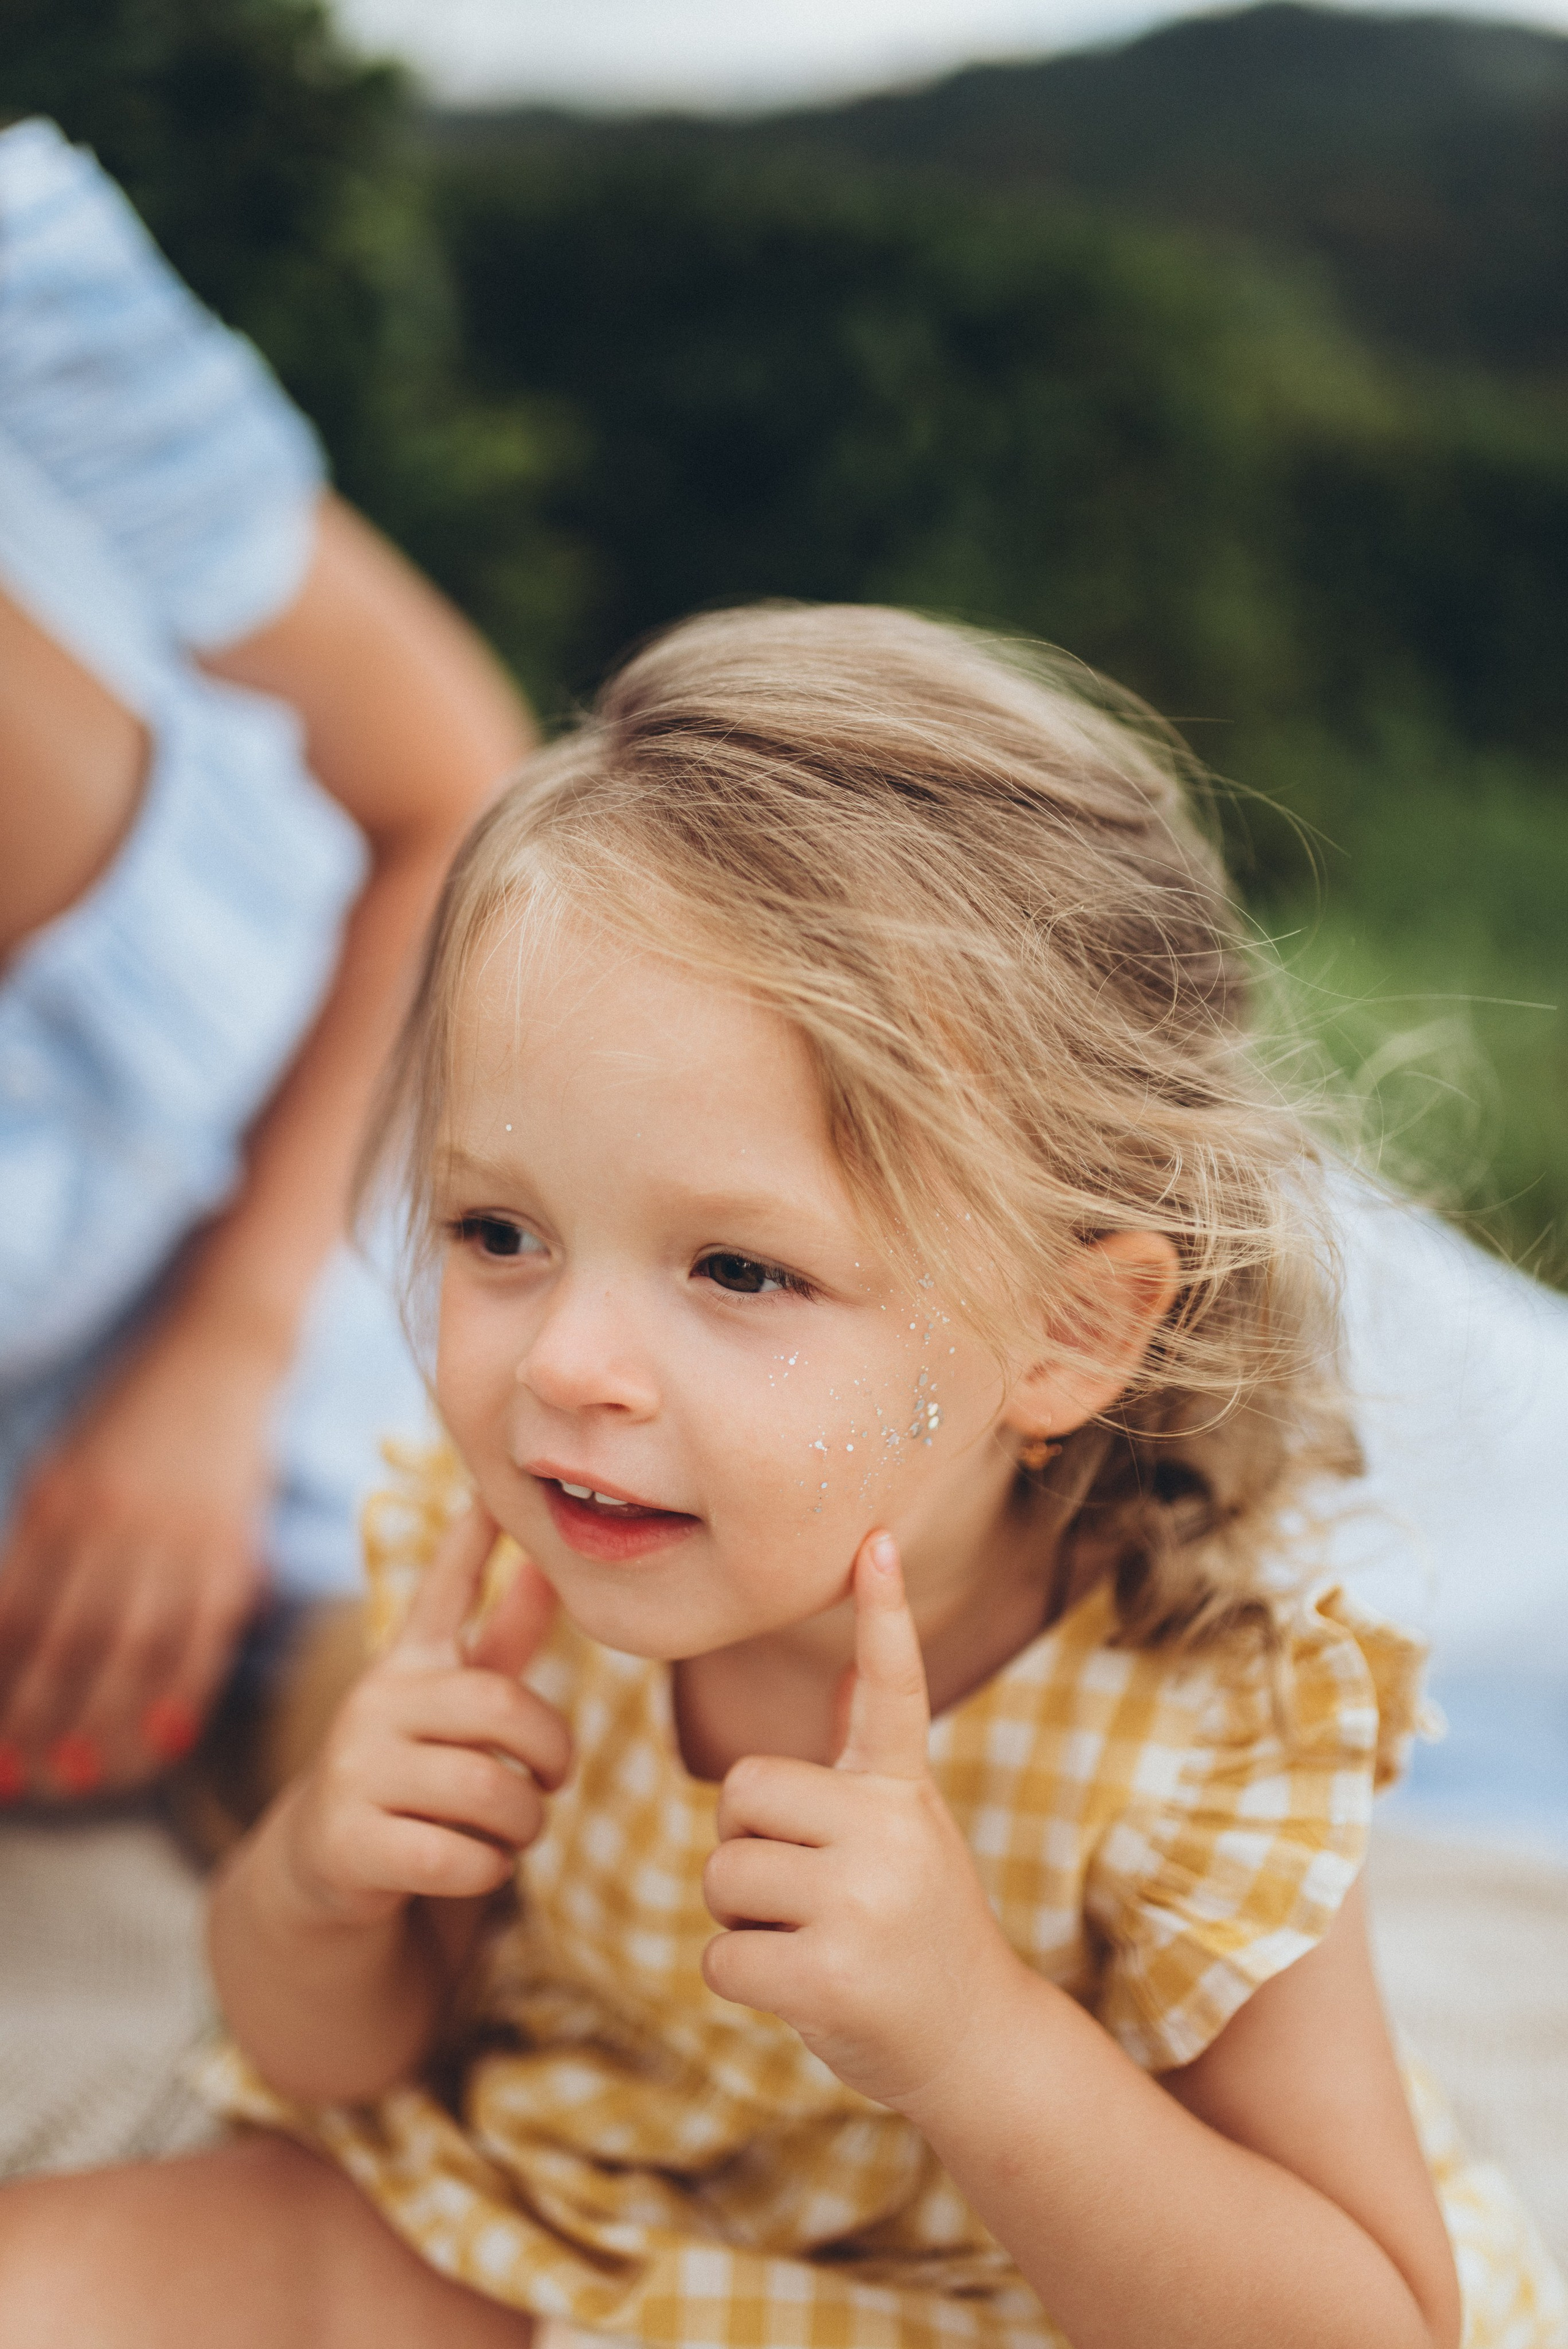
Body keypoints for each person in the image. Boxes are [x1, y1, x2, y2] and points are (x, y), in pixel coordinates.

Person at [2, 605, 1561, 2348]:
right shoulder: (508, 1573)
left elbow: (1366, 2326)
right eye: (498, 1230)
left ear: (1068, 1332)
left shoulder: (1190, 1724)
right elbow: (332, 2056)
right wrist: (324, 1886)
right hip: (570, 2218)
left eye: (740, 1270)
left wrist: (971, 2033)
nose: (566, 1366)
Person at [0, 118, 533, 1801]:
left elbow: (462, 803)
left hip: (538, 1236)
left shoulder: (25, 306)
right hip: (213, 1651)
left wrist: (221, 1349)